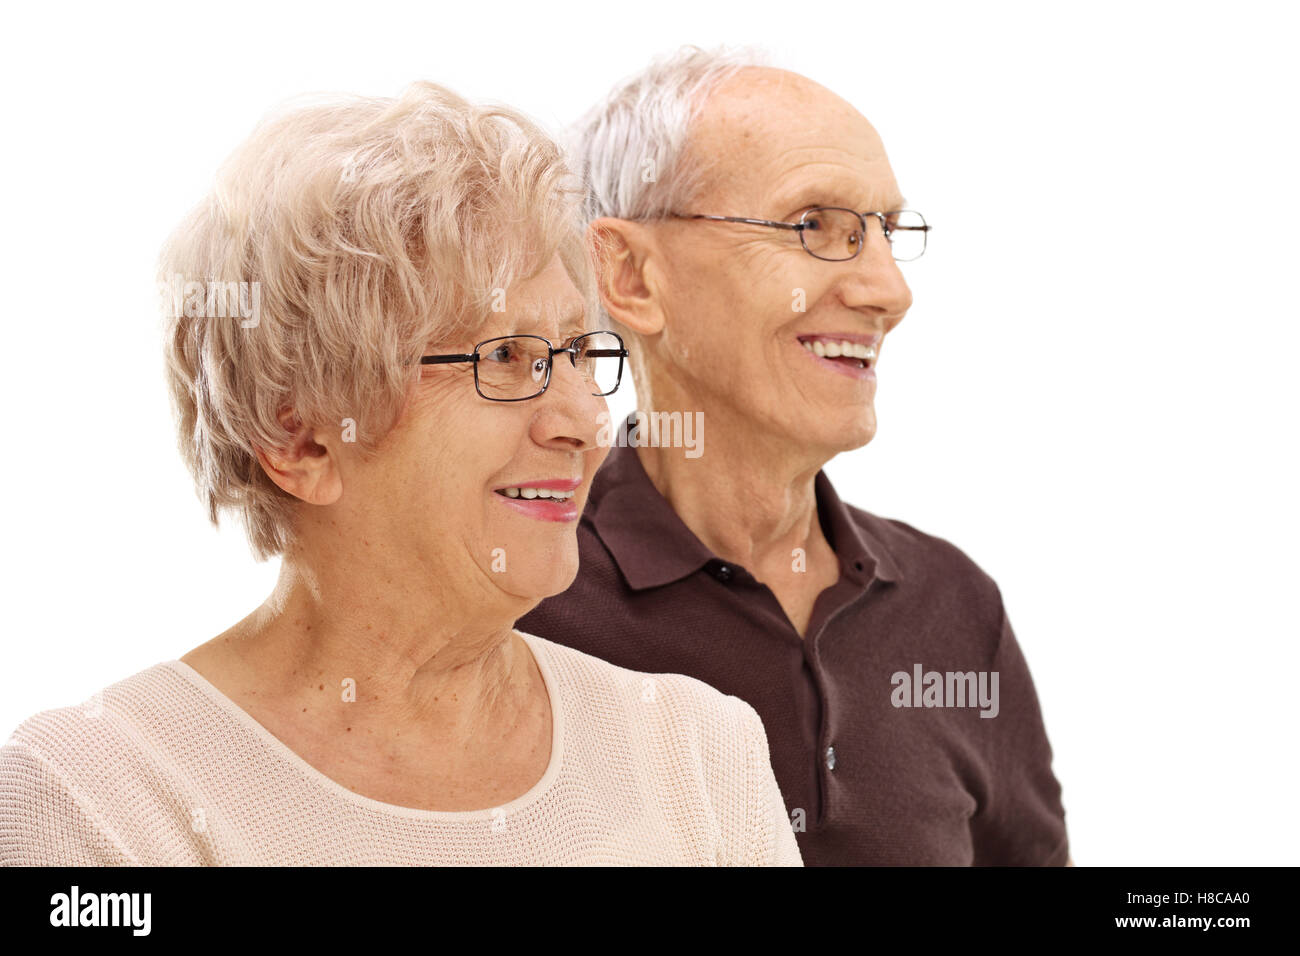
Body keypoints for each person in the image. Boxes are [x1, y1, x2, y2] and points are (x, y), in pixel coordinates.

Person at [0, 81, 801, 866]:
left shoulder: (701, 756)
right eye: (504, 358)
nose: (588, 423)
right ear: (301, 439)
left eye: (578, 354)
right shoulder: (97, 801)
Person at [518, 47, 1071, 865]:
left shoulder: (954, 606)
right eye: (817, 226)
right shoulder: (521, 596)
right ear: (630, 274)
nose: (890, 290)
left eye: (887, 231)